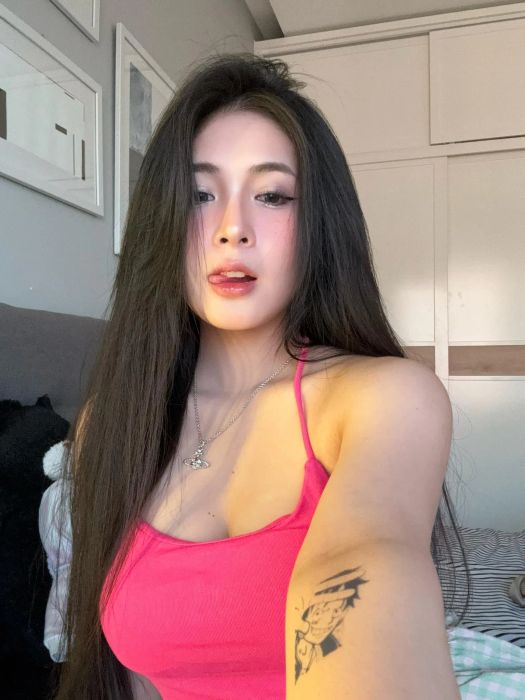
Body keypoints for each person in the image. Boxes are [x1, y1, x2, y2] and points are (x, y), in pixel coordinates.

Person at [43, 52, 470, 699]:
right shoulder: (112, 421)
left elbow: (365, 564)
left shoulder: (383, 398)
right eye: (199, 194)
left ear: (318, 225)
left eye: (271, 196)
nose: (232, 230)